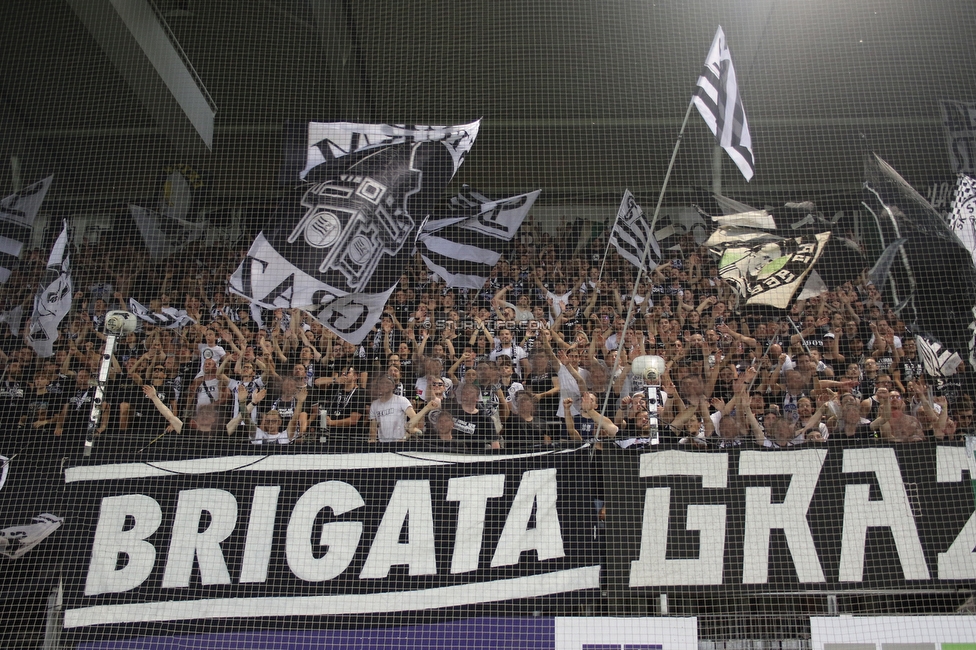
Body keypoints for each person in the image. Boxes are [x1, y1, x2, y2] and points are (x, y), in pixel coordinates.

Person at [368, 375, 417, 444]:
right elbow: (373, 427)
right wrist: (373, 440)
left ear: (393, 386)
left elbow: (415, 418)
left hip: (400, 443)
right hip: (382, 444)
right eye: (382, 383)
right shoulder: (374, 404)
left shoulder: (402, 400)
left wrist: (405, 437)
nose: (384, 385)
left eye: (388, 383)